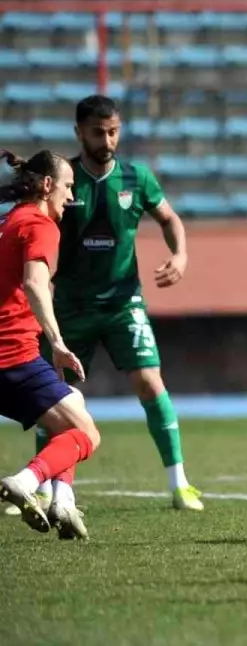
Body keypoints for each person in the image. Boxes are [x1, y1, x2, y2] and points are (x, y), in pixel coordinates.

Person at [36, 95, 200, 512]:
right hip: (71, 305)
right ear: (79, 132)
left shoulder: (136, 177)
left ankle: (180, 483)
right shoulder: (64, 178)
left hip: (124, 302)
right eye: (98, 132)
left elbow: (170, 219)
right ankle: (42, 486)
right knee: (59, 397)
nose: (107, 140)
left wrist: (179, 256)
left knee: (149, 381)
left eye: (113, 131)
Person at [0, 150, 101, 540]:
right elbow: (34, 283)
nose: (71, 196)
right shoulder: (40, 225)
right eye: (68, 186)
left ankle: (63, 500)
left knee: (72, 404)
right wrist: (56, 342)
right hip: (14, 356)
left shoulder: (8, 221)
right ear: (47, 185)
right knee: (88, 435)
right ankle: (27, 481)